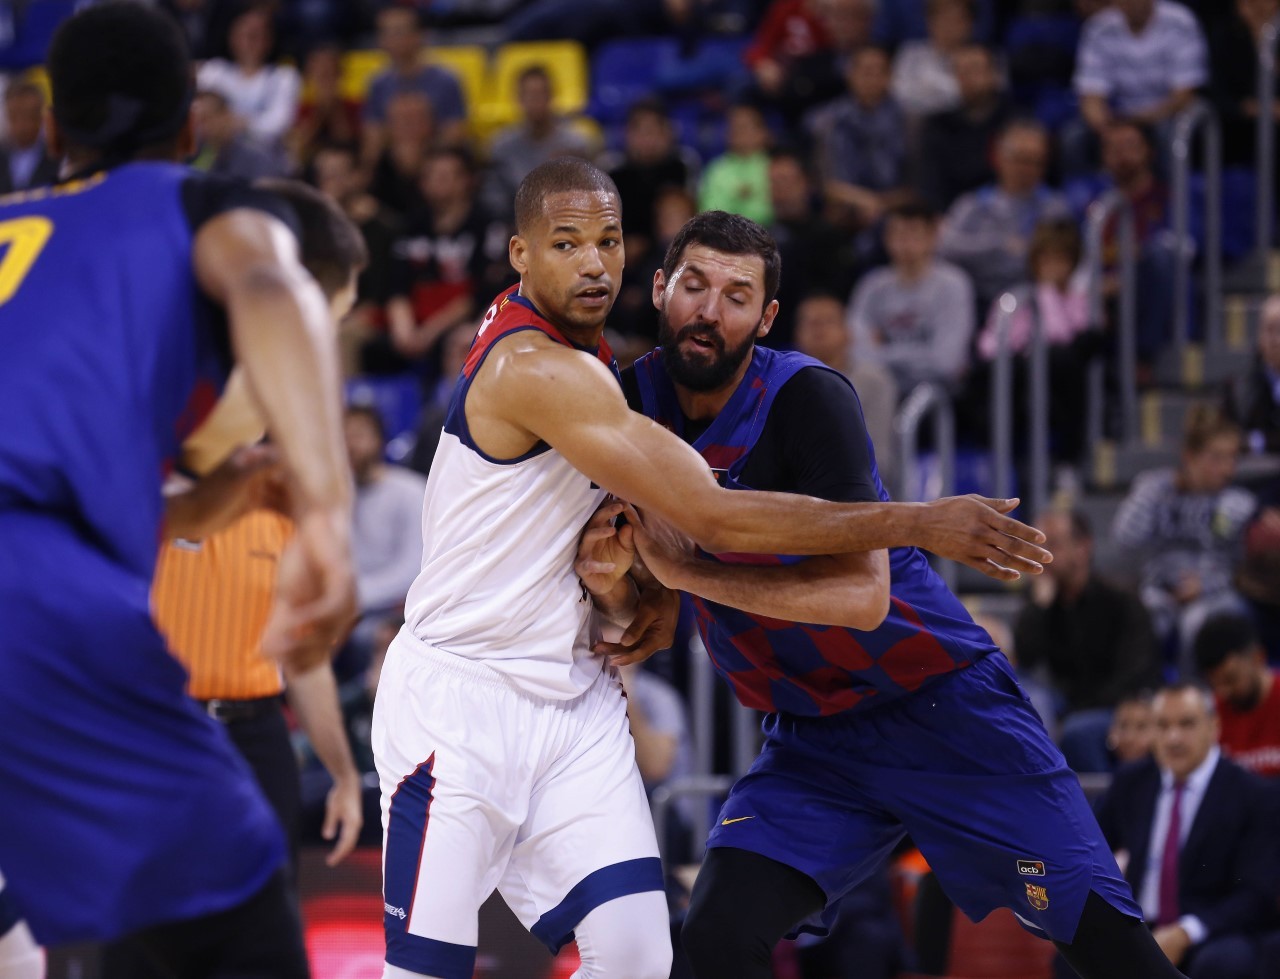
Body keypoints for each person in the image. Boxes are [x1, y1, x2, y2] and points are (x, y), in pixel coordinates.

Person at [372, 158, 1052, 979]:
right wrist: (920, 521)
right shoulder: (536, 368)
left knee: (636, 958)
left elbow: (607, 561)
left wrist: (631, 587)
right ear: (520, 253)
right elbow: (714, 514)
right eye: (565, 243)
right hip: (462, 698)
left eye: (609, 240)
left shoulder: (602, 368)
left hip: (571, 700)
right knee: (425, 971)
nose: (594, 263)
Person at [599, 208, 1189, 979]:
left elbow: (861, 596)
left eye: (737, 295)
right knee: (713, 938)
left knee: (1119, 960)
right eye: (694, 285)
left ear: (766, 317)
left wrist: (690, 578)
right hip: (815, 737)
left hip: (944, 711)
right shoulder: (624, 403)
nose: (710, 310)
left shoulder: (810, 398)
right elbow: (631, 550)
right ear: (658, 288)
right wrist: (642, 588)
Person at [0, 5, 356, 975]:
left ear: (54, 128)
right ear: (193, 129)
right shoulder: (192, 203)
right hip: (27, 582)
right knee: (228, 868)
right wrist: (325, 509)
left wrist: (204, 505)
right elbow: (273, 291)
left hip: (36, 566)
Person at [1094, 684, 1280, 977]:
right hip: (1141, 928)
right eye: (1163, 726)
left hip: (1213, 931)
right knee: (1074, 954)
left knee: (1224, 963)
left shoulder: (1253, 794)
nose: (1173, 737)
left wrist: (1186, 932)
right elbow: (1089, 848)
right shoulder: (1131, 783)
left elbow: (1257, 895)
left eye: (1187, 724)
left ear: (1214, 726)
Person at [1013, 508, 1160, 772]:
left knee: (1077, 732)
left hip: (1117, 706)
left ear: (1083, 547)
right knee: (1030, 701)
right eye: (1036, 546)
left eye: (1053, 544)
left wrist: (1078, 711)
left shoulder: (1121, 600)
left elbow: (1133, 674)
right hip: (1064, 704)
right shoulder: (1042, 601)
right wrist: (1039, 605)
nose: (1041, 557)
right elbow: (1025, 656)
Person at [1194, 613, 1280, 778]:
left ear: (1257, 658)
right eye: (1214, 684)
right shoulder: (1212, 715)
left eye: (1231, 679)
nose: (1223, 691)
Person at [0, 80, 58, 194]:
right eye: (15, 116)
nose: (22, 125)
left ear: (40, 117)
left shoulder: (56, 159)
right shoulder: (2, 158)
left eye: (29, 116)